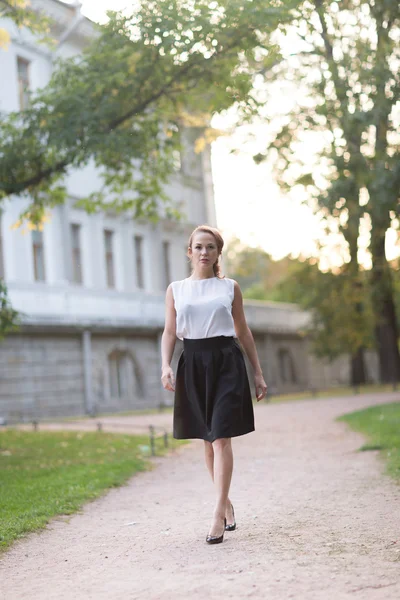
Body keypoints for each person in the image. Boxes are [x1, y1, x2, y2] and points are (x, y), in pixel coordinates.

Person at [161, 225, 267, 544]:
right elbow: (169, 332)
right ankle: (227, 504)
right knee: (207, 441)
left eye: (210, 247)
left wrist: (258, 373)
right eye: (198, 247)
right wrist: (165, 365)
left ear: (218, 253)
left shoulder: (229, 288)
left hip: (226, 362)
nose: (204, 252)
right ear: (189, 252)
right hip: (192, 362)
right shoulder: (176, 289)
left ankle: (216, 513)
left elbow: (244, 331)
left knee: (221, 437)